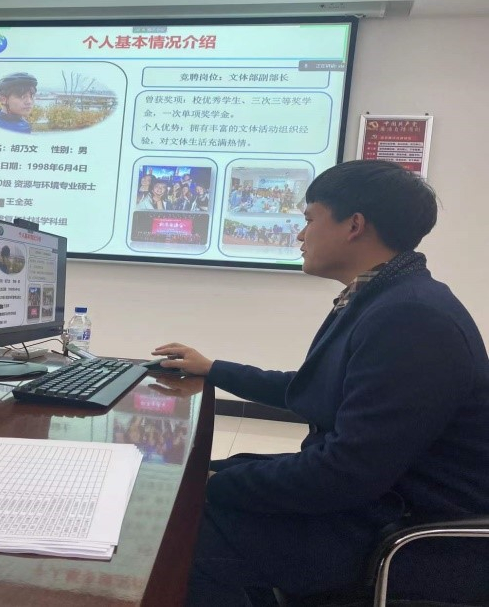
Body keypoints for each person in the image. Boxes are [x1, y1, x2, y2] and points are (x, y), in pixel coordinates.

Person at [152, 160, 489, 606]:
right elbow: (317, 389)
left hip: (398, 530)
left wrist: (201, 484)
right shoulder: (386, 296)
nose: (300, 234)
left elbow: (343, 475)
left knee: (180, 531)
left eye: (309, 219)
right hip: (377, 498)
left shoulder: (411, 318)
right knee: (202, 480)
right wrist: (215, 369)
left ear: (354, 225)